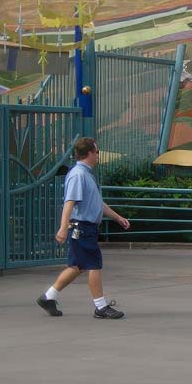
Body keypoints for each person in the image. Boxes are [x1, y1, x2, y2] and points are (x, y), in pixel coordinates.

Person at [36, 137, 131, 319]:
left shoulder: (86, 174)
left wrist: (118, 218)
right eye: (96, 152)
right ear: (89, 153)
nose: (98, 156)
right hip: (83, 228)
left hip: (85, 227)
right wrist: (63, 228)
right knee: (94, 264)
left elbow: (98, 204)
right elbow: (69, 203)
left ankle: (49, 297)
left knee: (77, 266)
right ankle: (101, 307)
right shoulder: (79, 175)